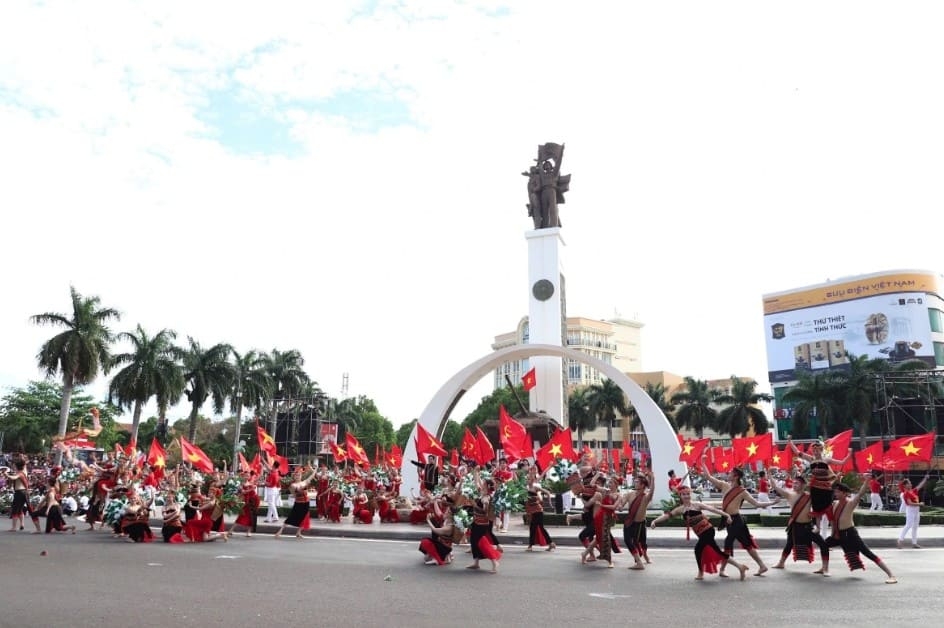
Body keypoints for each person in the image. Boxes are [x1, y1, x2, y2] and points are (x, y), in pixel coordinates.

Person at [650, 485, 749, 581]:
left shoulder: (697, 505)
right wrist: (655, 521)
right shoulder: (680, 509)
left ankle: (701, 573)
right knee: (717, 552)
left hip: (708, 531)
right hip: (700, 533)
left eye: (688, 494)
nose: (686, 496)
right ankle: (740, 567)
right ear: (680, 496)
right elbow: (667, 515)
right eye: (684, 494)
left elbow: (712, 509)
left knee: (698, 549)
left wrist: (727, 515)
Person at [701, 458, 775, 577]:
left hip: (736, 520)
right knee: (746, 544)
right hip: (729, 520)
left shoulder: (742, 491)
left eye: (730, 473)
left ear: (735, 476)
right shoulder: (724, 485)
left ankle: (723, 570)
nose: (728, 474)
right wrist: (703, 463)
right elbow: (708, 477)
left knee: (728, 542)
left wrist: (771, 504)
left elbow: (756, 504)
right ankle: (762, 566)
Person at [826, 479, 897, 584]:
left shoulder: (850, 503)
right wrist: (832, 534)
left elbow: (860, 494)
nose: (835, 493)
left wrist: (866, 480)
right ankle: (824, 568)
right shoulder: (835, 504)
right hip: (839, 535)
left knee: (867, 553)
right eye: (835, 491)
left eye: (838, 491)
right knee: (823, 545)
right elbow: (834, 521)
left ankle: (891, 575)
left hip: (850, 534)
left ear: (845, 493)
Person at [771, 475, 829, 575]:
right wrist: (769, 474)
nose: (794, 485)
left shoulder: (809, 496)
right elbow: (775, 487)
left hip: (807, 526)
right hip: (794, 526)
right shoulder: (789, 494)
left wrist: (818, 527)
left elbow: (819, 509)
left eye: (797, 483)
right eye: (793, 483)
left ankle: (825, 568)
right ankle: (781, 563)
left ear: (803, 485)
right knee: (789, 544)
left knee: (823, 544)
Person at [618, 471, 654, 570]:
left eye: (637, 482)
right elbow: (623, 502)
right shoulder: (630, 494)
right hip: (630, 521)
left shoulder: (645, 497)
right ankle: (639, 562)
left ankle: (645, 557)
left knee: (642, 542)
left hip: (640, 523)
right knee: (628, 541)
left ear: (642, 485)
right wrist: (620, 506)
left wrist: (653, 479)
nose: (635, 483)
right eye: (635, 481)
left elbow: (651, 492)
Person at [274, 465, 317, 539]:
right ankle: (280, 531)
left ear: (301, 476)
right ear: (294, 477)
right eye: (296, 475)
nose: (297, 476)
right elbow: (294, 494)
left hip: (306, 503)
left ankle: (298, 532)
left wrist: (315, 469)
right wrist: (298, 490)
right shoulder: (292, 485)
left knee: (304, 518)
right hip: (298, 503)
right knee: (291, 517)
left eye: (299, 475)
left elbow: (312, 476)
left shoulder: (304, 482)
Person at [897, 474, 930, 549]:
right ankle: (900, 540)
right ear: (905, 485)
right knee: (908, 525)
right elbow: (909, 503)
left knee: (915, 527)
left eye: (910, 483)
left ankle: (914, 543)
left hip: (916, 511)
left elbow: (920, 485)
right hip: (910, 510)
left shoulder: (913, 491)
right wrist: (920, 504)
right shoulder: (906, 494)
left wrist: (925, 478)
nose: (911, 484)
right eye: (909, 483)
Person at [229, 470, 261, 537]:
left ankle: (249, 532)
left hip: (254, 500)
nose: (247, 477)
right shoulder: (240, 484)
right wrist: (251, 489)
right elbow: (242, 492)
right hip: (247, 501)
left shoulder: (251, 482)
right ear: (243, 476)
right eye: (246, 476)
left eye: (248, 476)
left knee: (251, 517)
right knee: (241, 515)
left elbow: (259, 476)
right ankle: (231, 530)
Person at [524, 483, 555, 552]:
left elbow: (547, 492)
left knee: (535, 528)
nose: (529, 479)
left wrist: (550, 503)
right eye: (528, 478)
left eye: (531, 477)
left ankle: (530, 546)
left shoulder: (535, 487)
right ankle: (551, 544)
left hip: (538, 510)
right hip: (531, 511)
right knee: (537, 528)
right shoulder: (525, 488)